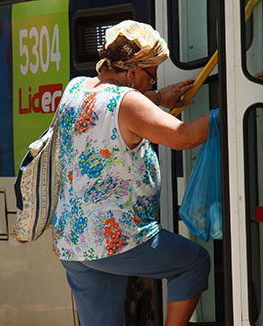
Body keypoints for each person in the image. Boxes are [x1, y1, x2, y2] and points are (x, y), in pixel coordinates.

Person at [53, 20, 212, 326]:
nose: (150, 85)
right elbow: (184, 137)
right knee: (192, 264)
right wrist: (229, 110)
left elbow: (109, 108)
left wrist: (159, 98)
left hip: (73, 241)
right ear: (133, 72)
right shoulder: (128, 102)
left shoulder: (75, 88)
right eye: (150, 77)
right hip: (115, 239)